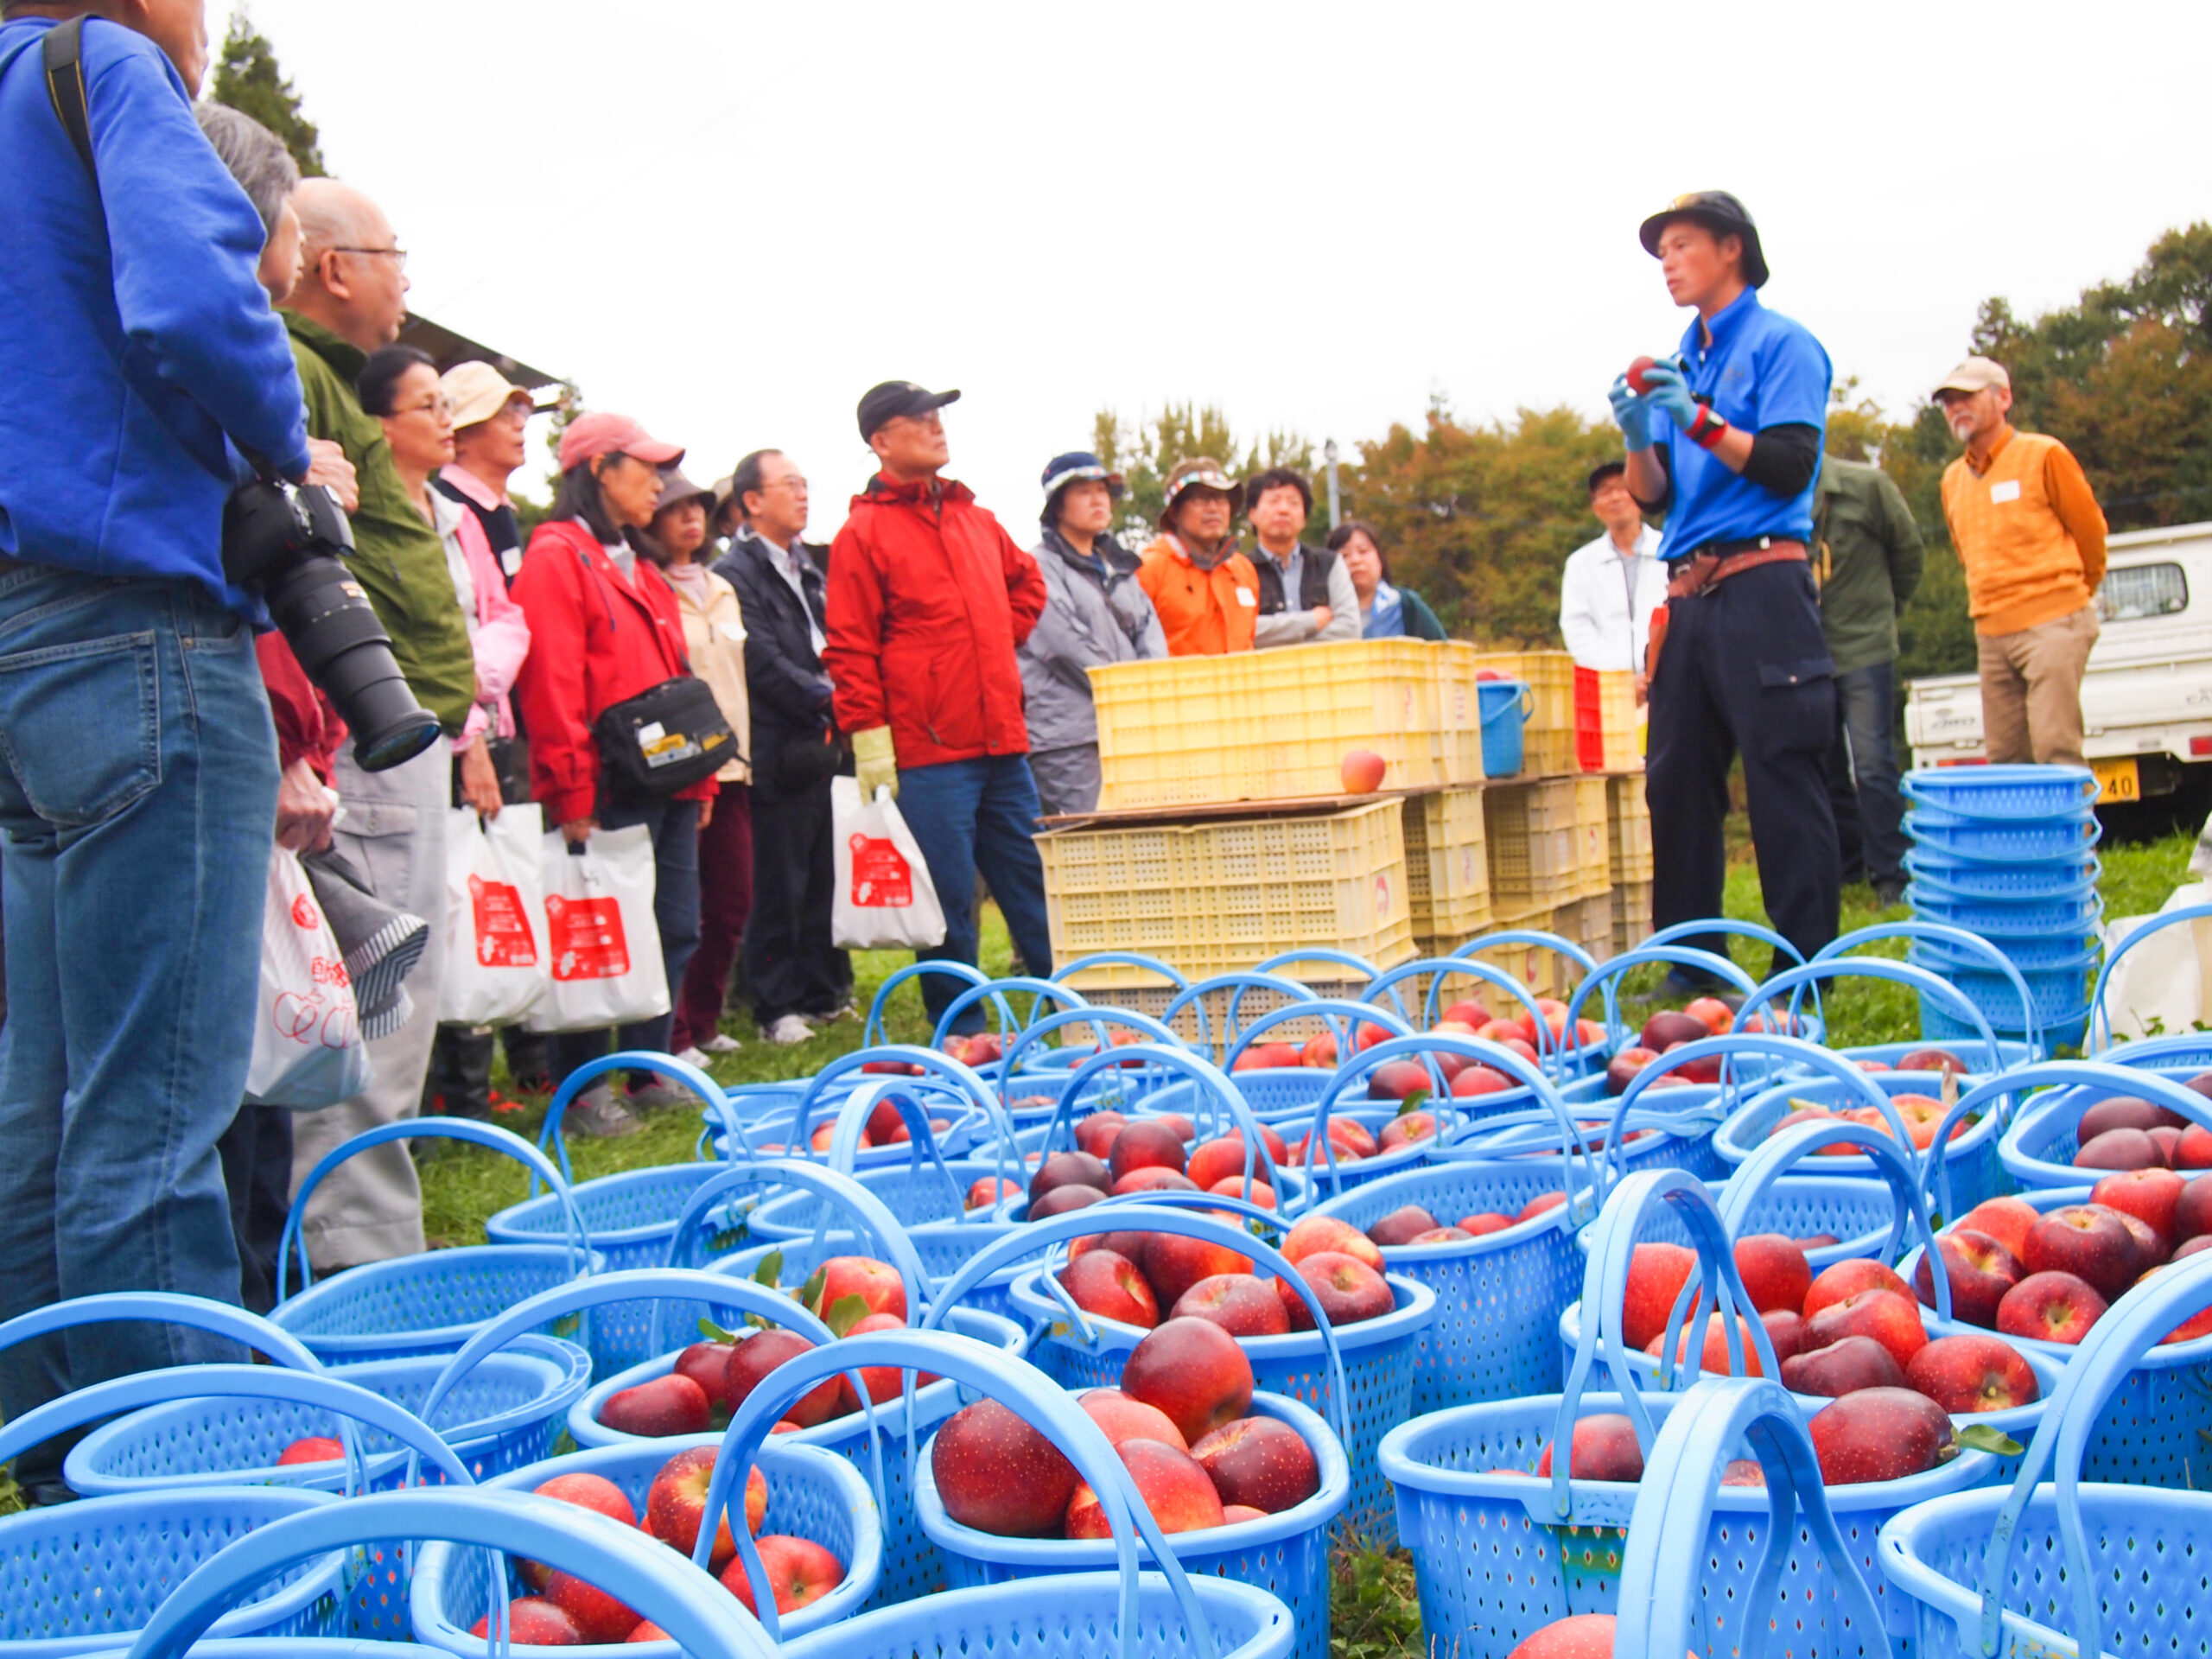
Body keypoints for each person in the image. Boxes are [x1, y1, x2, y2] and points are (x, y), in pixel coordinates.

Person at [0, 0, 314, 1501]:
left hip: (14, 644)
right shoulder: (98, 66)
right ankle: (181, 1508)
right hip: (132, 620)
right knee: (151, 1112)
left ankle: (57, 1483)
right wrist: (279, 446)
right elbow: (196, 298)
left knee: (41, 1093)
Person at [281, 175, 475, 1268]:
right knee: (368, 1002)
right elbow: (292, 571)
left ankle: (365, 1238)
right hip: (351, 747)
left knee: (391, 996)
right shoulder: (293, 376)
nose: (405, 278)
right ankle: (360, 1260)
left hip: (391, 741)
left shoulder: (327, 387)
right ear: (335, 265)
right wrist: (304, 741)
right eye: (395, 252)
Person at [195, 97, 354, 1313]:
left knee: (246, 1045)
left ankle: (254, 1302)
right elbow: (253, 583)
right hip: (216, 728)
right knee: (214, 1062)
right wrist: (291, 740)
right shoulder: (216, 358)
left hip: (253, 730)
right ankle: (224, 1332)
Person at [1609, 190, 1836, 979]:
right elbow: (1655, 495)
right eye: (1661, 251)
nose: (1666, 263)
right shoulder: (1679, 364)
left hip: (1762, 580)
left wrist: (1698, 418)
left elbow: (1786, 465)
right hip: (1688, 594)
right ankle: (1693, 971)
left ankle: (1806, 970)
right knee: (1674, 785)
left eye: (1679, 245)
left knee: (1782, 772)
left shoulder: (1783, 345)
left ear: (1731, 247)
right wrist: (1640, 435)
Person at [823, 382, 1054, 1031]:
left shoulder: (975, 519)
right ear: (880, 441)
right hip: (927, 751)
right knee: (947, 901)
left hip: (1003, 741)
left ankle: (1066, 1012)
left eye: (938, 416)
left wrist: (993, 639)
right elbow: (849, 646)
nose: (936, 426)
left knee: (1032, 886)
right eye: (918, 418)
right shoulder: (862, 534)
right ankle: (961, 1030)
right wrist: (869, 736)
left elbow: (1026, 582)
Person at [511, 413, 714, 1134]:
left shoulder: (638, 562)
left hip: (669, 781)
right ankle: (585, 1086)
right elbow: (552, 682)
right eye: (646, 467)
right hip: (605, 784)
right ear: (599, 470)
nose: (658, 483)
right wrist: (570, 788)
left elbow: (678, 680)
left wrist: (703, 776)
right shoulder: (556, 556)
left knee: (673, 926)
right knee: (598, 933)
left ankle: (648, 1066)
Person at [359, 345, 534, 1121]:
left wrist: (468, 692)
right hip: (399, 741)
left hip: (462, 724)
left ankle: (446, 1099)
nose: (444, 420)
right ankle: (423, 1102)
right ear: (379, 424)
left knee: (455, 911)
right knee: (402, 925)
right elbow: (401, 641)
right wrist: (461, 719)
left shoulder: (459, 520)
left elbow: (501, 620)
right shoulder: (365, 514)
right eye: (428, 407)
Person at [715, 449, 849, 1045]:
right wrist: (823, 696)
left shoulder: (809, 567)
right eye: (788, 485)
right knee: (778, 880)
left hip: (822, 738)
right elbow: (756, 654)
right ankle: (776, 1007)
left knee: (824, 872)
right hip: (774, 743)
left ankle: (824, 992)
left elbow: (832, 638)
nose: (802, 494)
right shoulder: (735, 571)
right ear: (751, 501)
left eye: (804, 483)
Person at [1933, 356, 2109, 769]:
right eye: (1948, 401)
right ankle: (2027, 836)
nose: (1956, 408)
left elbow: (2091, 533)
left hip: (2054, 621)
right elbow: (1966, 551)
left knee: (2054, 747)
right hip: (1991, 631)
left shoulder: (2043, 453)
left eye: (1967, 397)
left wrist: (2072, 597)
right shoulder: (1952, 479)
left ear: (2004, 397)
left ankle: (2076, 835)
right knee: (2007, 758)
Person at [650, 467, 753, 1066]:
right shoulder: (646, 584)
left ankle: (707, 1018)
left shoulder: (721, 587)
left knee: (733, 898)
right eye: (675, 507)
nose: (691, 517)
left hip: (736, 765)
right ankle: (677, 1032)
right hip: (683, 769)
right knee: (679, 905)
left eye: (698, 507)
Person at [1020, 451, 1166, 815]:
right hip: (1069, 737)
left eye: (1103, 490)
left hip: (1131, 726)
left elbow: (1150, 632)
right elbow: (1062, 646)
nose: (1099, 499)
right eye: (1084, 491)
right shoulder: (1037, 566)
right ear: (1057, 505)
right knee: (1086, 840)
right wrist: (1128, 691)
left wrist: (1154, 688)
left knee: (1141, 835)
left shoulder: (1120, 565)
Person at [1812, 454, 1923, 905]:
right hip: (1806, 651)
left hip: (1864, 645)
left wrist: (1886, 612)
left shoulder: (1866, 485)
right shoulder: (1773, 492)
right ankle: (1845, 867)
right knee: (1824, 765)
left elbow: (1908, 551)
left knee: (1873, 761)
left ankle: (1892, 874)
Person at [1558, 461, 1667, 698]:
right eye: (1606, 492)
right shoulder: (1580, 563)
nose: (1615, 497)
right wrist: (1620, 679)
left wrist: (1655, 673)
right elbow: (1577, 628)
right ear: (1595, 507)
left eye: (1623, 488)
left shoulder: (1670, 549)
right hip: (1608, 691)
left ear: (1641, 497)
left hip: (1670, 681)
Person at [1136, 459, 1260, 657]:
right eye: (1201, 499)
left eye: (1221, 499)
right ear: (1175, 511)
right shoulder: (1149, 569)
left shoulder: (1243, 570)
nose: (1213, 508)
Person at [435, 361, 531, 585]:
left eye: (520, 412)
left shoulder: (497, 507)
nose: (520, 424)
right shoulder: (441, 512)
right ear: (459, 437)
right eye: (504, 415)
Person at [1246, 467, 1358, 649]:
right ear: (1252, 514)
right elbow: (1242, 630)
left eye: (1293, 503)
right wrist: (1310, 621)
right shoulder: (1239, 569)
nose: (1283, 509)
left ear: (1304, 517)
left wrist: (1280, 644)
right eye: (1274, 501)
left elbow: (1350, 629)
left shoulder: (1329, 564)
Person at [1327, 520, 1447, 640]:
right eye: (1344, 555)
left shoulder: (1406, 605)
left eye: (1363, 551)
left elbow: (1442, 651)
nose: (1355, 560)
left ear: (1380, 559)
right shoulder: (1323, 614)